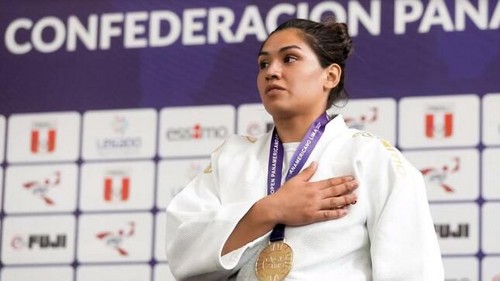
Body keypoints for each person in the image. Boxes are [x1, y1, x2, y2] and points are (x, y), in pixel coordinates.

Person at [165, 18, 444, 280]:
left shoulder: (372, 158)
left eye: (289, 59)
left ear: (331, 76)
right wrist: (269, 210)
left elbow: (412, 269)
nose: (271, 72)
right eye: (263, 64)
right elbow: (182, 247)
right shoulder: (232, 157)